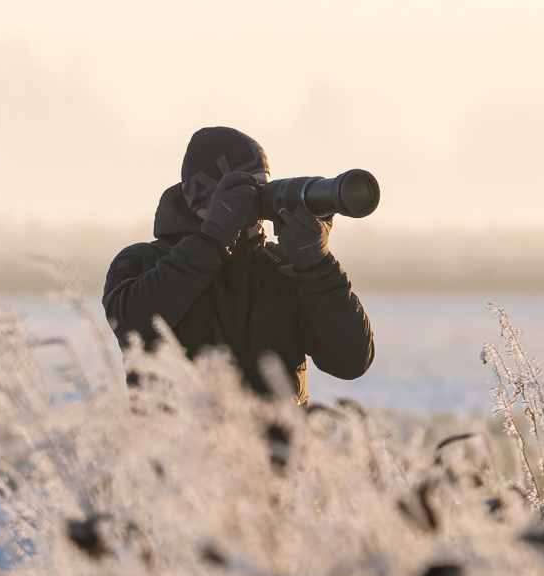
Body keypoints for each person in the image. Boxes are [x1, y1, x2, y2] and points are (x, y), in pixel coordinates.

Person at [103, 127, 374, 403]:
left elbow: (350, 362)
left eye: (263, 187)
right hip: (180, 445)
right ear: (203, 197)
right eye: (244, 189)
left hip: (277, 446)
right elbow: (132, 325)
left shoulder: (284, 271)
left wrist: (318, 265)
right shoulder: (142, 262)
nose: (258, 201)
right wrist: (213, 238)